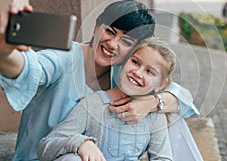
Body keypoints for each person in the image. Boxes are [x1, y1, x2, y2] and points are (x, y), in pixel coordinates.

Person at [0, 0, 199, 160]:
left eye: (126, 42)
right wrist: (6, 53)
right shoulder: (65, 58)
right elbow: (29, 67)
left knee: (169, 116)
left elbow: (182, 98)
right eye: (110, 32)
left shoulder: (124, 73)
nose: (112, 44)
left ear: (135, 49)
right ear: (97, 27)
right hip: (50, 155)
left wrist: (151, 103)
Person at [38, 37, 176, 161]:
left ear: (161, 84)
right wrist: (81, 143)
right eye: (135, 62)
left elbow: (163, 157)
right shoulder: (93, 104)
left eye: (150, 72)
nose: (137, 73)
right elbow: (46, 145)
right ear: (124, 61)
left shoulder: (154, 116)